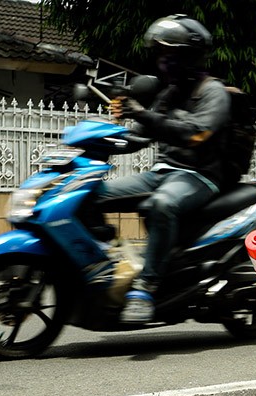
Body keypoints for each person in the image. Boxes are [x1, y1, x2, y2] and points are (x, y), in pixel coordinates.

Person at [100, 14, 233, 323]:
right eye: (159, 54)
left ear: (189, 55)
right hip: (164, 172)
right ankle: (103, 267)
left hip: (200, 176)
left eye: (169, 54)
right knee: (93, 193)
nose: (162, 61)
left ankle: (146, 287)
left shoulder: (213, 92)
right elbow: (138, 138)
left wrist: (143, 114)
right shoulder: (169, 94)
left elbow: (195, 134)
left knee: (162, 205)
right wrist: (100, 138)